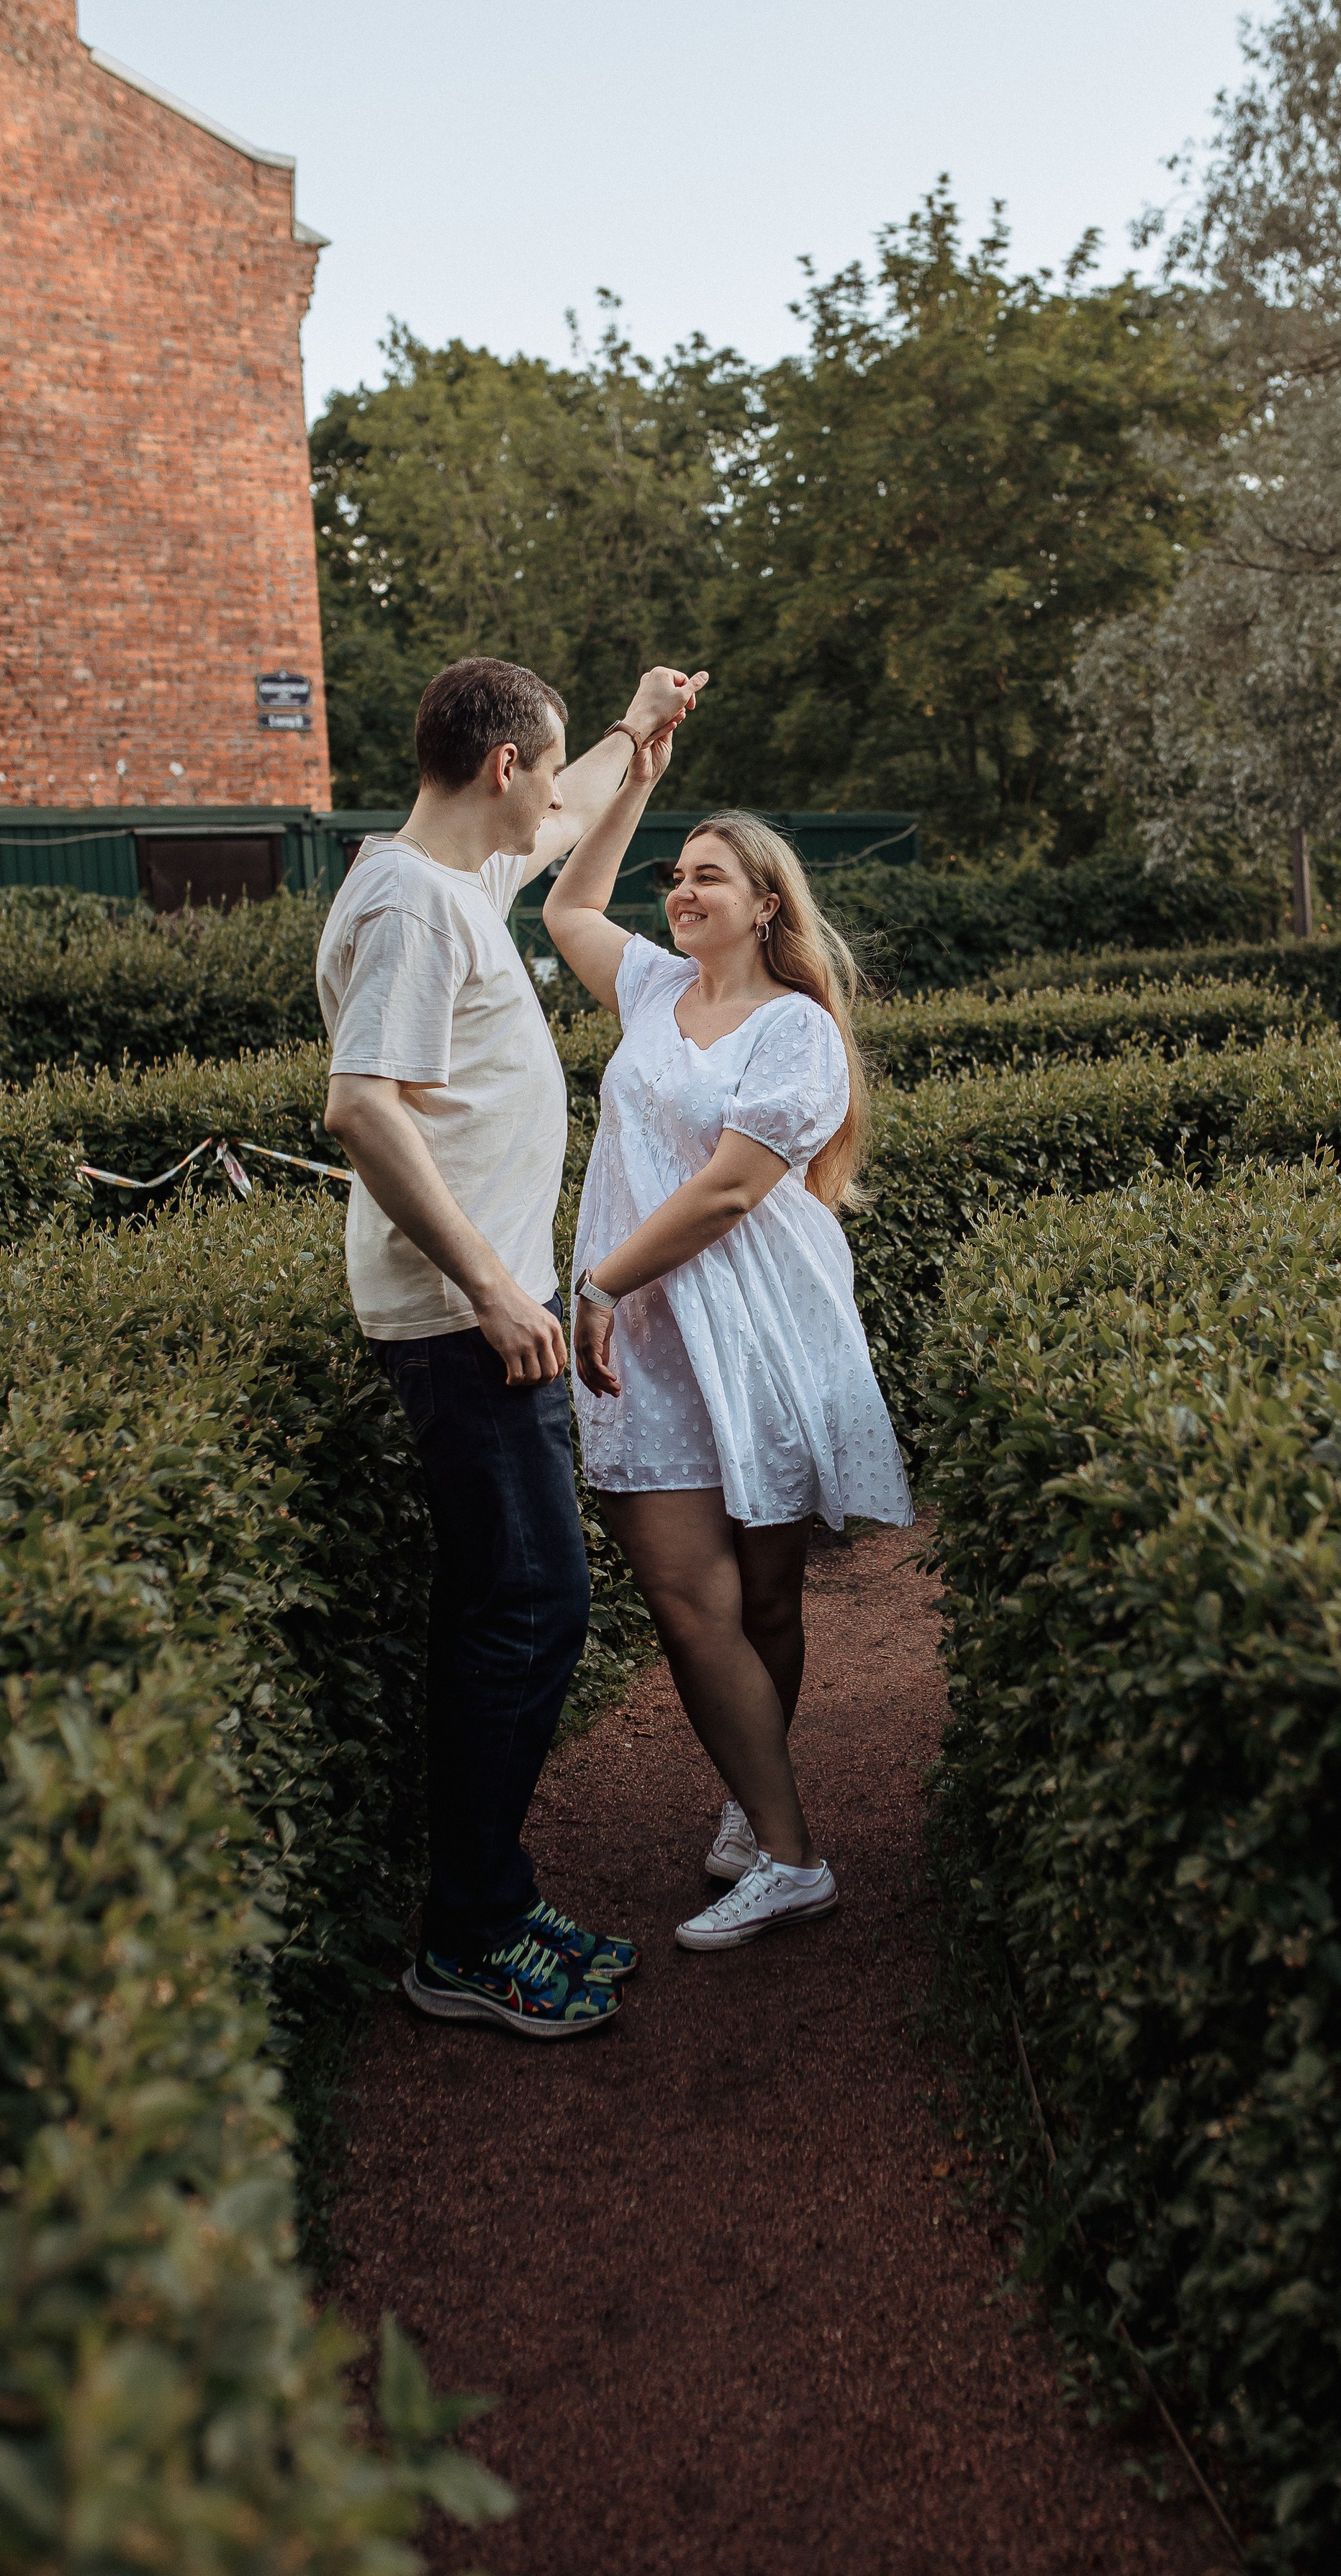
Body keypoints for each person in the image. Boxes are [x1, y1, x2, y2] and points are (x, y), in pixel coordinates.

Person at [317, 652, 705, 2039]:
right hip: (462, 1323)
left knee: (509, 1607)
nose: (553, 793)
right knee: (530, 1612)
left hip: (482, 1310)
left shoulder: (451, 874)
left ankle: (483, 1899)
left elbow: (567, 808)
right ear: (499, 766)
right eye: (543, 767)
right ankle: (469, 1934)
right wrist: (492, 1286)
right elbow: (362, 1108)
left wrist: (632, 735)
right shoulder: (416, 907)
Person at [543, 733, 912, 1954]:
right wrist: (638, 767)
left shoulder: (797, 1030)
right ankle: (794, 1850)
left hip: (755, 1326)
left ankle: (760, 1814)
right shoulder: (650, 988)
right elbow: (569, 900)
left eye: (711, 875)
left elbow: (728, 1193)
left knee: (765, 1594)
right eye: (678, 874)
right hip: (651, 1336)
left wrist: (595, 1279)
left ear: (767, 904)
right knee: (689, 1601)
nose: (684, 890)